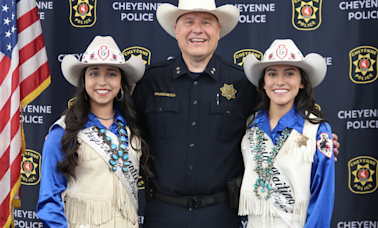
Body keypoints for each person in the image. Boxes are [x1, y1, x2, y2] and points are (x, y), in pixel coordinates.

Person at [133, 0, 339, 227]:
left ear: (218, 30)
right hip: (163, 214)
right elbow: (127, 132)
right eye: (189, 21)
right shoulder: (149, 82)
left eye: (206, 22)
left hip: (221, 215)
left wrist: (317, 143)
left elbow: (278, 123)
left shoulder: (242, 84)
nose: (197, 30)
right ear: (176, 29)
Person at [36, 36, 151, 228]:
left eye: (112, 74)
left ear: (121, 81)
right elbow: (49, 200)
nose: (103, 82)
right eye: (94, 73)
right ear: (84, 80)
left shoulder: (133, 128)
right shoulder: (63, 132)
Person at [238, 39, 335, 228]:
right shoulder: (250, 125)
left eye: (289, 74)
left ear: (301, 83)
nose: (280, 82)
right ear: (263, 84)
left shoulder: (317, 130)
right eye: (272, 74)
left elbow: (323, 196)